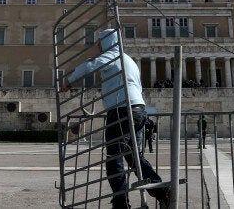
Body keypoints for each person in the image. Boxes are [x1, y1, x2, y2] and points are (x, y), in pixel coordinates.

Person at [63, 29, 170, 209]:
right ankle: (162, 192)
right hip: (138, 110)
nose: (98, 46)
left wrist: (68, 80)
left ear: (106, 42)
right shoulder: (129, 60)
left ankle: (121, 203)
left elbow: (90, 65)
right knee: (133, 156)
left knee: (114, 159)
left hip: (122, 111)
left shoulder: (112, 56)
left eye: (100, 42)